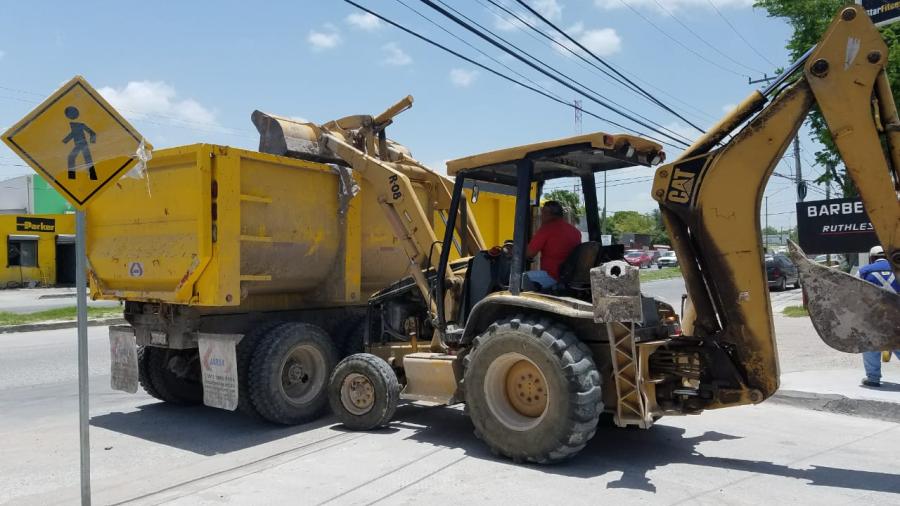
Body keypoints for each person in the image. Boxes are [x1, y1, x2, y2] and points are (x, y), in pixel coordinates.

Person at [859, 245, 900, 387]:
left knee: (871, 346)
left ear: (871, 258)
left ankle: (873, 379)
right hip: (897, 317)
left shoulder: (863, 271)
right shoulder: (898, 268)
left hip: (874, 317)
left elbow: (854, 293)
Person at [523, 200, 581, 289]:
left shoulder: (547, 229)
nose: (541, 216)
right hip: (568, 278)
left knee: (518, 278)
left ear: (547, 213)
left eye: (543, 213)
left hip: (552, 277)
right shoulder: (576, 232)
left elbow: (529, 253)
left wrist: (517, 251)